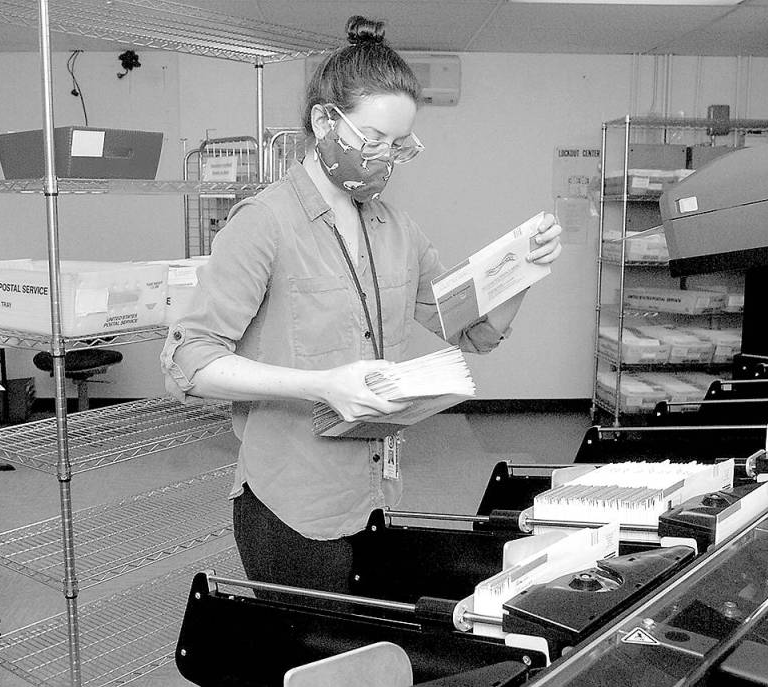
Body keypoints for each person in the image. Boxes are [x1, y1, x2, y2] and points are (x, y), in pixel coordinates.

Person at [160, 15, 562, 596]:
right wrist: (323, 385)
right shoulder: (265, 223)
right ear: (325, 122)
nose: (386, 158)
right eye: (373, 140)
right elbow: (188, 363)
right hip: (291, 506)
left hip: (375, 495)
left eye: (399, 146)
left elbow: (471, 331)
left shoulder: (396, 228)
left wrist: (522, 270)